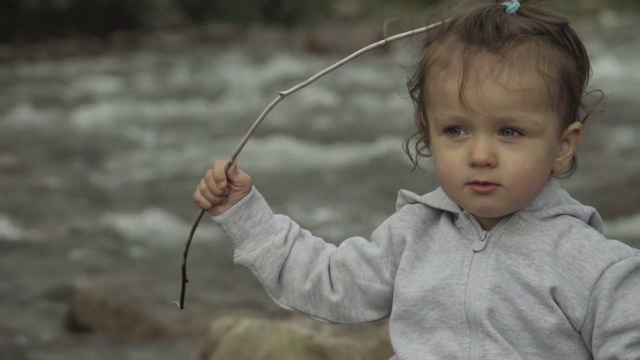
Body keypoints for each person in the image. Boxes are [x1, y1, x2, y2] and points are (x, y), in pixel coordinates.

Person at [193, 0, 640, 358]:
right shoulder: (413, 236)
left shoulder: (595, 267)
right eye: (456, 130)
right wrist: (243, 213)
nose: (480, 155)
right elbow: (328, 284)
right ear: (427, 135)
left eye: (510, 132)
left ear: (563, 144)